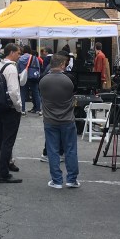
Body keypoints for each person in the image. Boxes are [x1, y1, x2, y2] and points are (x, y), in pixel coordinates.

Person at [40, 53, 79, 188]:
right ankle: (71, 179)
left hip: (50, 120)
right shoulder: (69, 80)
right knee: (70, 149)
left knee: (52, 150)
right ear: (62, 64)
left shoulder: (43, 80)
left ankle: (56, 180)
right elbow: (73, 93)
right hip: (67, 119)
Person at [0, 43, 24, 184]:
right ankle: (4, 173)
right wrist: (19, 107)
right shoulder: (11, 68)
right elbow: (14, 91)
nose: (19, 56)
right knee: (7, 141)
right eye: (18, 53)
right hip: (9, 108)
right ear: (12, 52)